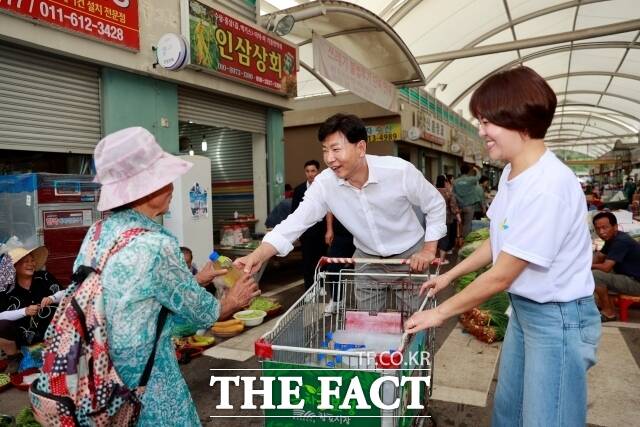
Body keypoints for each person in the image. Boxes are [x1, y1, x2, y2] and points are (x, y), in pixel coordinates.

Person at [405, 67, 601, 427]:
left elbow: (503, 274)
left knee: (547, 420)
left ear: (519, 121)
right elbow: (499, 242)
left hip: (557, 318)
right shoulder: (514, 174)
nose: (481, 131)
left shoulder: (548, 185)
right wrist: (450, 276)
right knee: (510, 413)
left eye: (486, 121)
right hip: (526, 313)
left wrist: (438, 313)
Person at [73, 127, 259, 426]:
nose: (172, 185)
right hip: (146, 381)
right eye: (165, 179)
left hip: (98, 376)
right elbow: (205, 313)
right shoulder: (156, 243)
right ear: (147, 190)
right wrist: (235, 300)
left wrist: (196, 281)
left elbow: (137, 302)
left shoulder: (96, 234)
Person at [235, 113, 446, 310]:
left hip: (410, 257)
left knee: (418, 320)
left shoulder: (398, 171)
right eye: (325, 150)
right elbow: (295, 222)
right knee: (369, 325)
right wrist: (258, 255)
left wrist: (428, 250)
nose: (329, 158)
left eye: (336, 149)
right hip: (366, 260)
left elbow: (435, 203)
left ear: (361, 147)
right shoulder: (325, 184)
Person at [0, 245, 62, 369]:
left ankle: (58, 353)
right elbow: (1, 314)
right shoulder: (7, 288)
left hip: (51, 329)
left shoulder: (44, 277)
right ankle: (14, 358)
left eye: (32, 260)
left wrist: (52, 298)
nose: (31, 264)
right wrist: (25, 311)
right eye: (25, 262)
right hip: (23, 333)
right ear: (15, 266)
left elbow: (66, 293)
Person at [591, 211, 640, 321]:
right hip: (629, 276)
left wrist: (586, 266)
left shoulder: (621, 241)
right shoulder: (612, 239)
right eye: (598, 229)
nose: (601, 232)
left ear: (615, 227)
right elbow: (599, 256)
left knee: (596, 275)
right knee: (598, 272)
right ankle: (604, 304)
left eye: (605, 227)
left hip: (637, 283)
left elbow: (606, 267)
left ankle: (609, 312)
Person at [292, 160, 327, 289]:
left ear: (318, 172)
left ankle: (321, 286)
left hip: (321, 231)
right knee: (307, 261)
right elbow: (294, 212)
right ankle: (308, 289)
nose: (310, 174)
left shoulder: (323, 188)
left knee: (321, 260)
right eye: (307, 171)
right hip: (306, 231)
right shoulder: (299, 190)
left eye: (313, 171)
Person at [323, 212, 355, 314]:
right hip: (340, 233)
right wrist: (329, 229)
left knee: (365, 267)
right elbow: (330, 209)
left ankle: (367, 305)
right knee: (333, 267)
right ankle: (336, 300)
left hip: (361, 233)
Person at [435, 175, 461, 265]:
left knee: (435, 237)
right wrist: (458, 216)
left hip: (433, 218)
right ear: (445, 182)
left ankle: (434, 256)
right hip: (445, 218)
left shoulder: (432, 191)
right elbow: (453, 206)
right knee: (444, 237)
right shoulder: (448, 193)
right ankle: (441, 259)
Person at [453, 164, 482, 237]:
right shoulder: (471, 180)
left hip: (459, 206)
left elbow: (453, 194)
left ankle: (459, 239)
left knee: (460, 223)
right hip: (469, 206)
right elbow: (478, 177)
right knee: (467, 224)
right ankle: (465, 240)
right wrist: (476, 169)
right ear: (468, 171)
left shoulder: (455, 181)